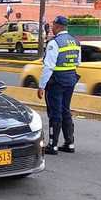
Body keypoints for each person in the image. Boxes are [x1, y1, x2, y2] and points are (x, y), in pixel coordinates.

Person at [37, 16, 81, 155]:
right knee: (65, 110)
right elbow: (78, 62)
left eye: (53, 25)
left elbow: (48, 66)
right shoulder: (75, 41)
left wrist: (41, 86)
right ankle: (70, 143)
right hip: (70, 79)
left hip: (56, 82)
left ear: (57, 26)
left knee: (55, 113)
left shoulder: (54, 43)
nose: (52, 28)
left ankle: (53, 145)